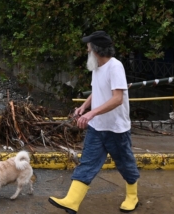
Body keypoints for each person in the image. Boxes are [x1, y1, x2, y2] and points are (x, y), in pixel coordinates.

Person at [49, 31, 140, 213]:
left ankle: (132, 196)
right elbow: (96, 92)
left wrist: (91, 114)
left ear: (96, 49)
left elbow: (117, 98)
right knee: (88, 162)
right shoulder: (96, 67)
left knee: (125, 163)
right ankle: (72, 201)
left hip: (116, 129)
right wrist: (83, 107)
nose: (86, 50)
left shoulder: (115, 67)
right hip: (97, 127)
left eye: (88, 47)